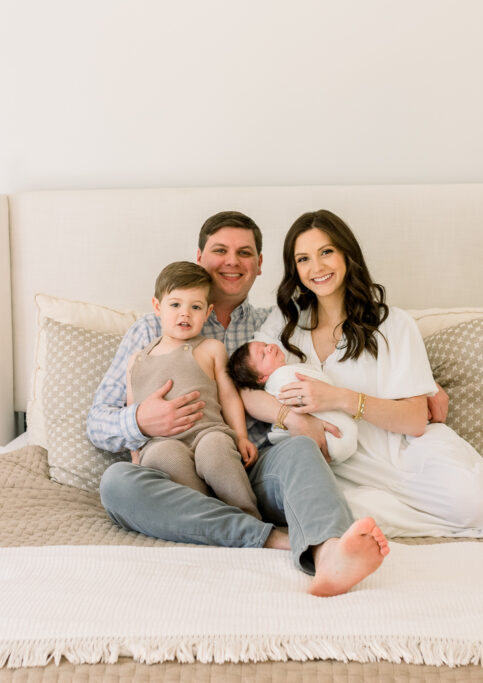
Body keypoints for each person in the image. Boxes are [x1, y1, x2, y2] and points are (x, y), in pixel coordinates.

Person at [87, 211, 388, 597]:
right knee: (117, 485)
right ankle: (271, 538)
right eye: (220, 250)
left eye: (244, 252)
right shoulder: (153, 328)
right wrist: (141, 421)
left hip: (254, 467)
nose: (232, 261)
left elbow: (330, 365)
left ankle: (330, 553)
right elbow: (97, 422)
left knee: (300, 449)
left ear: (259, 265)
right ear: (200, 257)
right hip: (176, 480)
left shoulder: (277, 324)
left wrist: (426, 390)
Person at [248, 209, 483, 538]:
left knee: (474, 503)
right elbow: (245, 391)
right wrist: (288, 417)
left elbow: (414, 419)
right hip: (337, 465)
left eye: (326, 252)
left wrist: (339, 397)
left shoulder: (391, 324)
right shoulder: (285, 323)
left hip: (404, 450)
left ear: (347, 256)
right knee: (330, 512)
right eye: (303, 258)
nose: (317, 267)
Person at [125, 261, 260, 519]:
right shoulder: (137, 360)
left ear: (208, 311)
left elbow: (229, 396)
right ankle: (211, 516)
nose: (185, 313)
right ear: (157, 307)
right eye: (175, 305)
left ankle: (248, 516)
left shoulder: (210, 349)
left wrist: (241, 436)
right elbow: (133, 411)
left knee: (216, 449)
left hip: (207, 432)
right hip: (160, 442)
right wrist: (135, 456)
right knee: (164, 456)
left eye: (195, 307)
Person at [227, 340, 357, 463]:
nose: (269, 347)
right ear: (262, 378)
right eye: (263, 355)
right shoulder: (280, 379)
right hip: (330, 439)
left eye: (265, 345)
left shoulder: (292, 368)